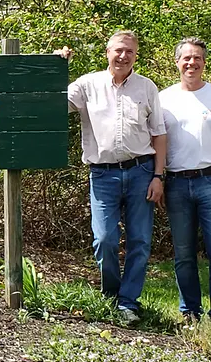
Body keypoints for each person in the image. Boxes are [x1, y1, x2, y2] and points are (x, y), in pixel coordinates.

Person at [62, 30, 168, 324]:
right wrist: (59, 67)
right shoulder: (87, 85)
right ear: (107, 52)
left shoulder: (147, 88)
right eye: (118, 50)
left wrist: (158, 176)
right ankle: (111, 295)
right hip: (103, 174)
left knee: (140, 241)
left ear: (136, 56)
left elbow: (159, 133)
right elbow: (54, 102)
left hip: (142, 171)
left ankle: (128, 303)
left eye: (130, 52)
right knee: (105, 239)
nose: (123, 56)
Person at [160, 38, 211, 324]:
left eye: (197, 58)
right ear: (177, 62)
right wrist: (157, 178)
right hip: (177, 183)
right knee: (183, 254)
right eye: (186, 58)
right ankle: (190, 313)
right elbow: (156, 143)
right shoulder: (163, 99)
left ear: (204, 63)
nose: (191, 63)